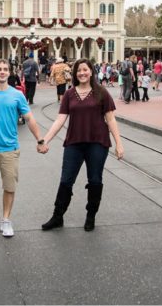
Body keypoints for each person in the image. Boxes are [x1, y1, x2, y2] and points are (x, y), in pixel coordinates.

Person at [39, 58, 126, 232]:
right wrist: (45, 139)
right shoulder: (70, 94)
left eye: (85, 70)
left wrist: (119, 143)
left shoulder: (101, 92)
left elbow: (111, 118)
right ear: (75, 73)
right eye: (79, 71)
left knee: (95, 180)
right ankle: (58, 216)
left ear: (91, 72)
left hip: (97, 143)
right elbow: (60, 119)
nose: (82, 73)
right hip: (74, 143)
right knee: (66, 180)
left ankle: (91, 215)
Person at [0, 59, 44, 238]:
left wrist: (40, 139)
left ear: (9, 72)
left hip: (10, 149)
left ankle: (6, 220)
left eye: (5, 69)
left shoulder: (17, 95)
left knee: (10, 187)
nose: (2, 72)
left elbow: (29, 118)